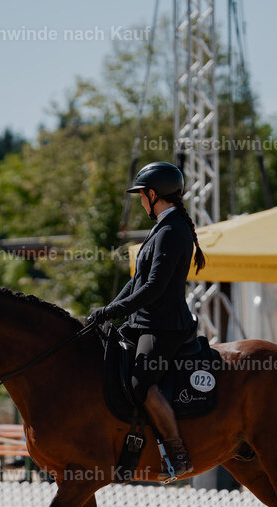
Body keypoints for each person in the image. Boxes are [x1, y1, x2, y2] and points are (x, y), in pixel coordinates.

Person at [86, 162, 205, 480]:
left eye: (142, 195)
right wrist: (110, 308)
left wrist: (113, 311)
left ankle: (177, 453)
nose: (140, 201)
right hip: (144, 321)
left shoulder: (172, 230)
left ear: (153, 195)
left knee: (142, 383)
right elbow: (138, 280)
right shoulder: (163, 227)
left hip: (163, 325)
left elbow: (154, 288)